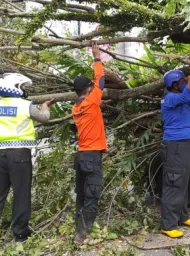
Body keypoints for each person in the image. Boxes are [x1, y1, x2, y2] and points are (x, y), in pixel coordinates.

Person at [0, 73, 52, 242]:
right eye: (22, 87)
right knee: (21, 193)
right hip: (19, 155)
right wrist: (45, 107)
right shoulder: (25, 105)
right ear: (16, 87)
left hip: (0, 153)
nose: (24, 90)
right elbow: (44, 118)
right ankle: (20, 233)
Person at [160, 57, 190, 238]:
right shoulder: (169, 98)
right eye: (182, 82)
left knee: (182, 181)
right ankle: (168, 225)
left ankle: (182, 216)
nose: (185, 84)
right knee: (174, 183)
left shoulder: (178, 97)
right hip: (175, 146)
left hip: (183, 145)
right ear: (175, 85)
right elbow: (188, 95)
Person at [72, 43, 106, 244]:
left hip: (82, 155)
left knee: (82, 194)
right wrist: (96, 57)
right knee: (92, 194)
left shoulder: (75, 108)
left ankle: (79, 228)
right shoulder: (91, 102)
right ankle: (82, 234)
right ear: (87, 89)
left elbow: (96, 85)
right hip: (91, 156)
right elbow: (100, 80)